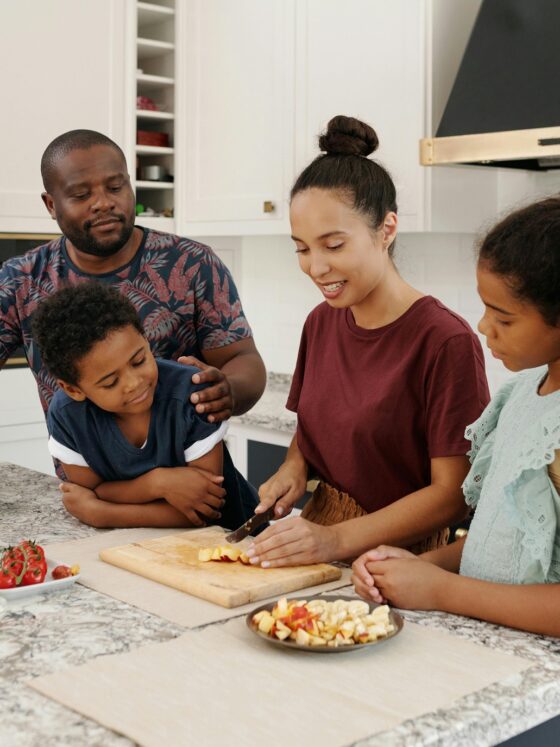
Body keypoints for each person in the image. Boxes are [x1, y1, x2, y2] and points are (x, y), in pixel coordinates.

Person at [246, 115, 489, 568]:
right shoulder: (321, 322)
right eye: (302, 248)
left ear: (387, 229)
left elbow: (452, 496)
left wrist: (336, 541)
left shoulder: (445, 341)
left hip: (402, 558)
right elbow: (314, 424)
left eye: (333, 245)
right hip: (321, 534)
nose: (315, 268)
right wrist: (293, 467)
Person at [0, 129, 266, 507]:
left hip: (190, 497)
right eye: (81, 195)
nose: (103, 203)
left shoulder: (192, 264)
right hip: (94, 499)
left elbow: (245, 361)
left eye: (115, 187)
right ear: (50, 203)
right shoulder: (20, 282)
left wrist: (229, 389)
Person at [351, 197, 560, 637]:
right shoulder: (522, 393)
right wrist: (419, 568)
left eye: (503, 317)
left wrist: (442, 590)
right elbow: (499, 543)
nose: (484, 327)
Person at [31, 282, 257, 529]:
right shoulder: (68, 416)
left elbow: (204, 512)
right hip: (139, 548)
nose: (134, 383)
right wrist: (158, 482)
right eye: (110, 382)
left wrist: (102, 513)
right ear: (74, 390)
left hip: (234, 537)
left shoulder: (193, 396)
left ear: (146, 340)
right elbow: (90, 489)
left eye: (138, 361)